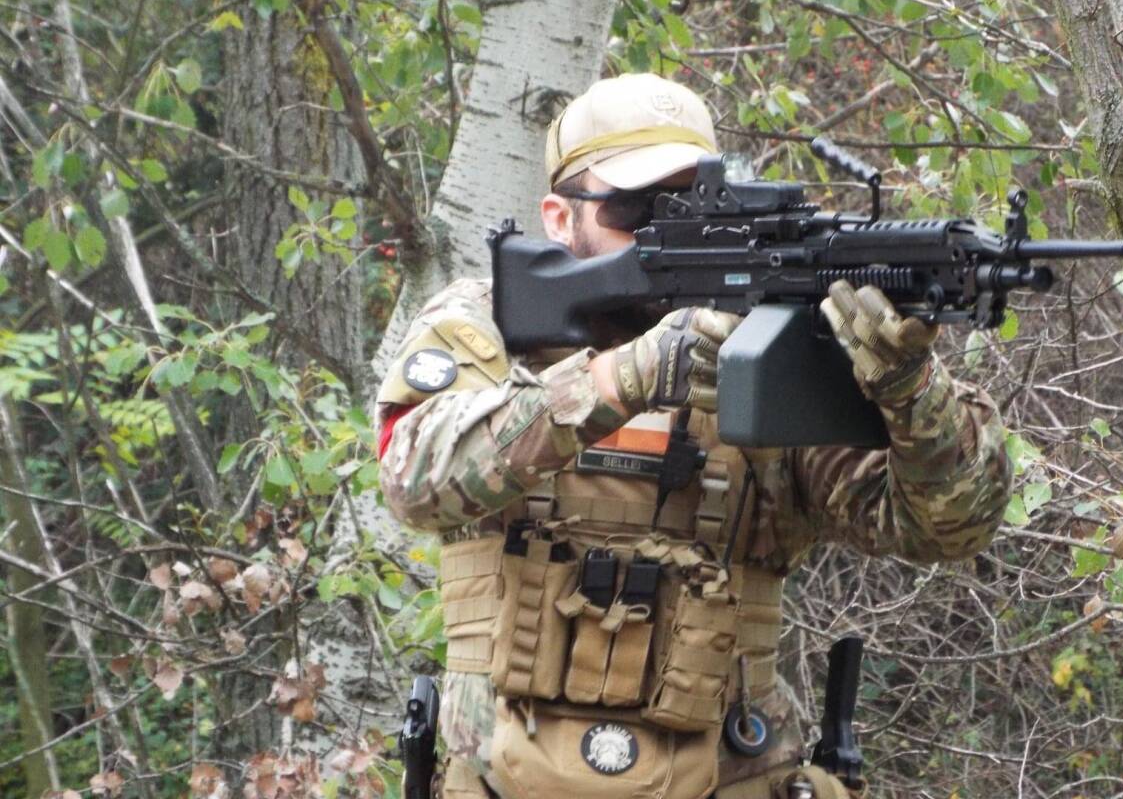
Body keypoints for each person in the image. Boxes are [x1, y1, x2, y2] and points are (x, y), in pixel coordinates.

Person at [376, 73, 1011, 799]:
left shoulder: (774, 347)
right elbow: (414, 476)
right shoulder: (486, 325)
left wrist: (910, 390)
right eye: (636, 208)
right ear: (558, 216)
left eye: (692, 206)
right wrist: (627, 375)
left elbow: (946, 528)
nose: (665, 228)